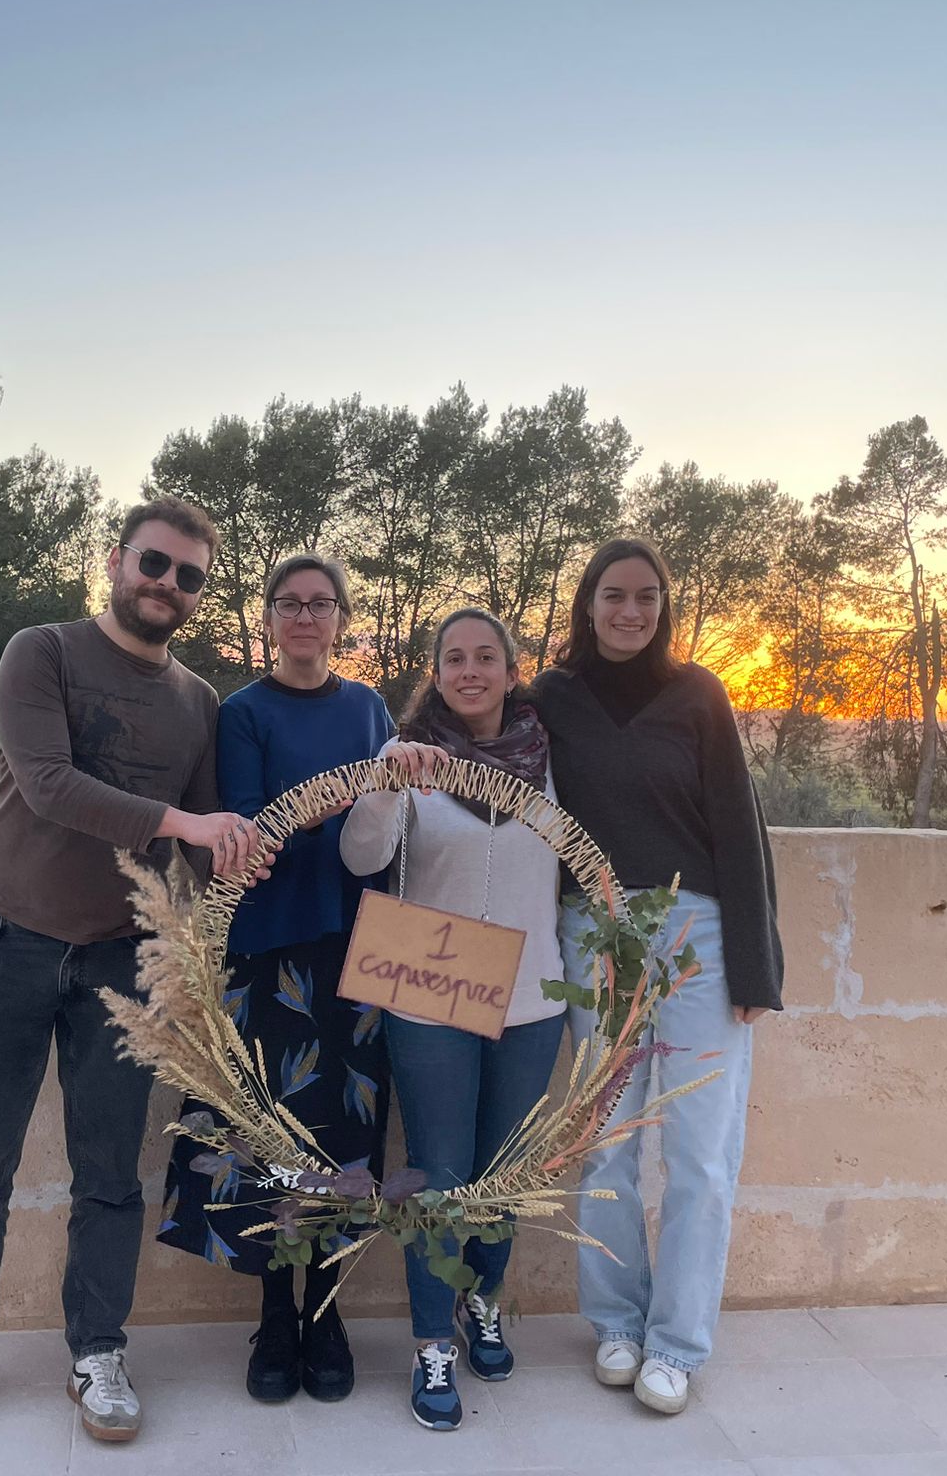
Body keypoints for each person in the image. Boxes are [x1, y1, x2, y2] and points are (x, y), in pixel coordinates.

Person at [0, 497, 274, 1448]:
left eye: (188, 576)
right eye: (154, 564)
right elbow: (49, 785)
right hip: (2, 938)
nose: (167, 586)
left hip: (118, 959)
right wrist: (184, 824)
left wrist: (255, 846)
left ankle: (98, 1353)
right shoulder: (42, 651)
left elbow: (203, 840)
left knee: (109, 1174)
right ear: (115, 560)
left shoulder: (199, 703)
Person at [532, 537, 784, 1418]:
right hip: (591, 931)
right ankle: (615, 1324)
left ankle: (677, 1344)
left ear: (663, 607)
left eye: (646, 597)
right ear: (587, 603)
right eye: (613, 595)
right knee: (603, 1140)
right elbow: (482, 757)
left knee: (700, 1153)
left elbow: (739, 834)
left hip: (698, 936)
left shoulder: (699, 696)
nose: (629, 612)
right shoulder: (551, 698)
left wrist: (756, 966)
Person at [156, 554, 395, 1405]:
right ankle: (276, 1313)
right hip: (266, 951)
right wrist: (338, 798)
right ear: (268, 619)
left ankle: (326, 1311)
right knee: (267, 1133)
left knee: (343, 1137)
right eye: (289, 604)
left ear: (339, 618)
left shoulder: (370, 707)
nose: (304, 616)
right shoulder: (242, 712)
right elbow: (253, 833)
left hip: (358, 953)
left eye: (320, 604)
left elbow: (389, 823)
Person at [340, 608, 568, 1433]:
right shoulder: (414, 763)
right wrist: (382, 780)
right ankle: (432, 1341)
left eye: (485, 657)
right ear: (434, 674)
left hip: (533, 998)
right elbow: (361, 859)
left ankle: (483, 1304)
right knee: (440, 1170)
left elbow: (582, 867)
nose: (469, 671)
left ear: (512, 670)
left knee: (503, 1172)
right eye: (452, 659)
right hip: (430, 994)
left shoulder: (550, 760)